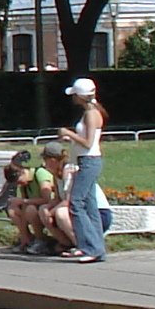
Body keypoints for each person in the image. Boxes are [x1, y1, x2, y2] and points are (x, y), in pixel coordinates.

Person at [62, 77, 107, 263]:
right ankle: (95, 247)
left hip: (89, 160)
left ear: (80, 96)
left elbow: (88, 143)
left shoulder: (90, 113)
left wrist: (68, 133)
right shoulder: (91, 112)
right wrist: (73, 139)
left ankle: (90, 247)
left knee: (76, 203)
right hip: (88, 160)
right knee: (89, 205)